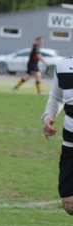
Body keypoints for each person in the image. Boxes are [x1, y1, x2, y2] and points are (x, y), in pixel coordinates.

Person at [41, 56, 73, 215]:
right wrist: (47, 117)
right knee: (69, 203)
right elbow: (56, 97)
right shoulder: (63, 65)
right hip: (70, 142)